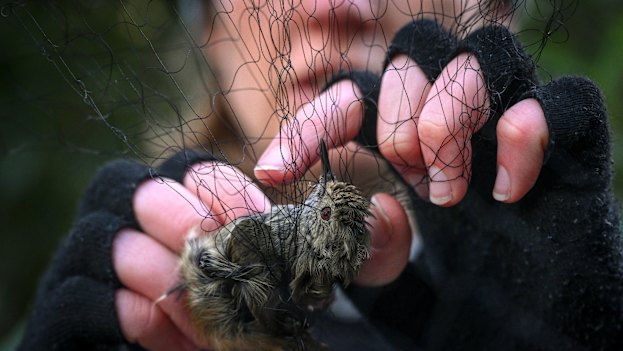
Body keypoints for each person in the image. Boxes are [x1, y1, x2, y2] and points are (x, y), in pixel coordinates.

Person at [19, 0, 623, 350]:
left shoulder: (584, 289)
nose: (338, 7)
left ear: (496, 13)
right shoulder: (126, 316)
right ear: (210, 28)